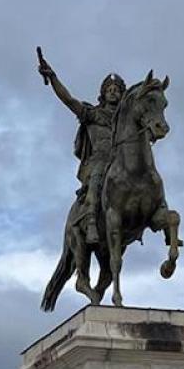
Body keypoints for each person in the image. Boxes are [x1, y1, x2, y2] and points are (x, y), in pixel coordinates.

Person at [37, 51, 125, 245]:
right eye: (109, 89)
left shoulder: (125, 121)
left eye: (117, 89)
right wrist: (52, 77)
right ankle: (91, 220)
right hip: (99, 161)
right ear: (103, 93)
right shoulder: (91, 114)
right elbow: (68, 100)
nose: (113, 91)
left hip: (121, 162)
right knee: (98, 176)